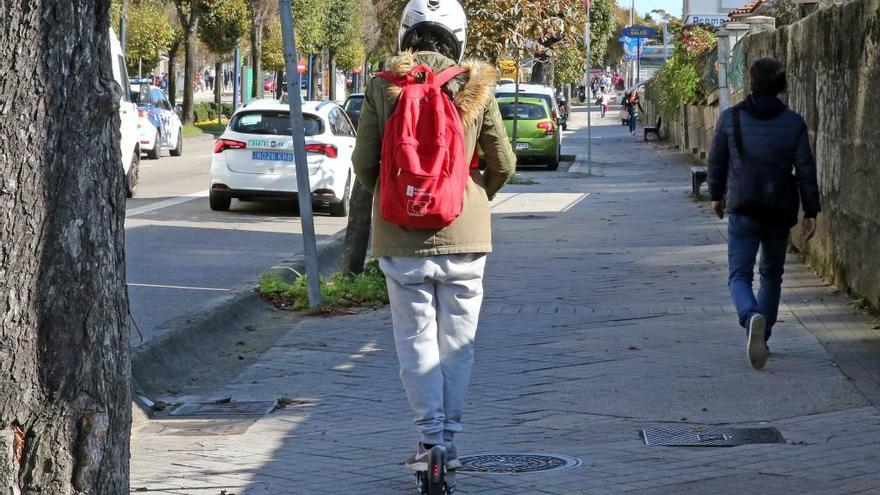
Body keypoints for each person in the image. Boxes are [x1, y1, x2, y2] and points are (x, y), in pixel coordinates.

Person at [351, 0, 516, 487]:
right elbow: (502, 161)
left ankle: (429, 443)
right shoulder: (477, 83)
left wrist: (395, 195)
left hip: (401, 238)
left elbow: (363, 162)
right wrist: (472, 193)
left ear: (407, 32)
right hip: (465, 235)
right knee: (458, 346)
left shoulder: (384, 85)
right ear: (457, 35)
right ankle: (451, 442)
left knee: (415, 342)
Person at [707, 57, 821, 370]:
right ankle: (763, 335)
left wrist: (716, 196)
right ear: (781, 86)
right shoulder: (794, 122)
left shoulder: (731, 118)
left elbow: (716, 160)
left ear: (751, 83)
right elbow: (806, 170)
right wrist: (811, 211)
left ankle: (750, 316)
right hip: (779, 209)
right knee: (771, 275)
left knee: (739, 275)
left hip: (743, 206)